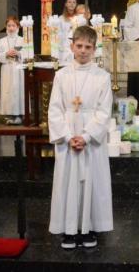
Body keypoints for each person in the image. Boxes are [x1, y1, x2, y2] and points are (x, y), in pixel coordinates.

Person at [48, 26, 114, 249]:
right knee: (68, 180)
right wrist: (68, 137)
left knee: (92, 180)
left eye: (88, 47)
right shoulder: (61, 75)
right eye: (79, 46)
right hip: (68, 134)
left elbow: (104, 112)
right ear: (71, 46)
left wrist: (86, 136)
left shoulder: (102, 77)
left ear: (95, 49)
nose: (83, 51)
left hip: (90, 139)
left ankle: (89, 228)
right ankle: (69, 229)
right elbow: (55, 109)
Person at [0, 16, 25, 125]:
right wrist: (6, 54)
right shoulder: (2, 41)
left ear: (18, 27)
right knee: (8, 91)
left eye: (13, 25)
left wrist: (19, 54)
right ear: (6, 27)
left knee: (18, 90)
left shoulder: (22, 40)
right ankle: (9, 114)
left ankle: (19, 114)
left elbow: (28, 55)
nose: (11, 28)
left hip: (18, 70)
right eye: (9, 26)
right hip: (7, 69)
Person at [59, 0, 88, 64]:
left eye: (74, 2)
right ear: (66, 4)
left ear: (76, 4)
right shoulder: (61, 19)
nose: (72, 4)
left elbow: (84, 31)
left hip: (77, 45)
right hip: (65, 47)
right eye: (69, 2)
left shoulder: (80, 18)